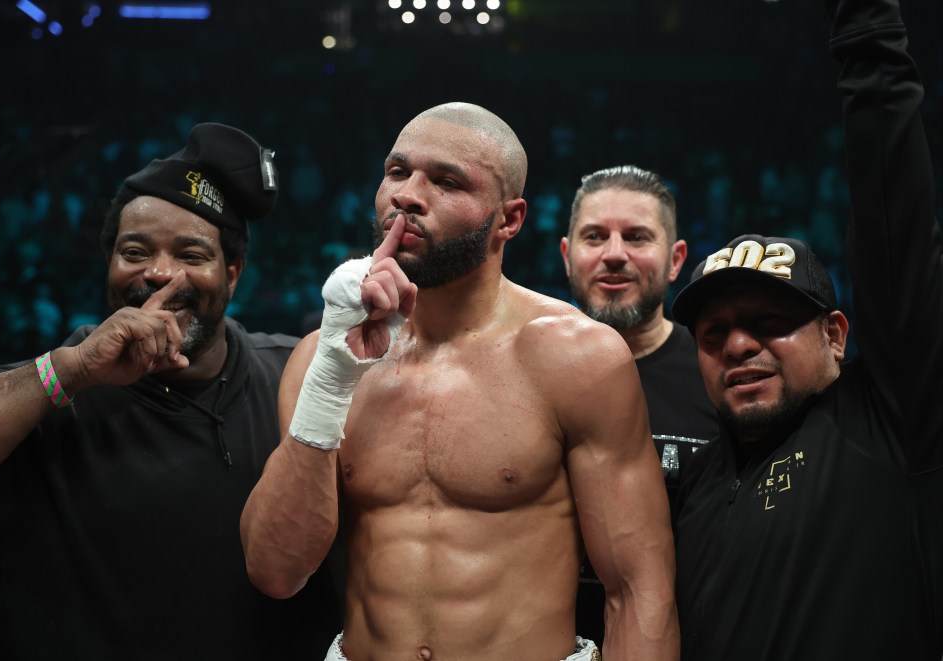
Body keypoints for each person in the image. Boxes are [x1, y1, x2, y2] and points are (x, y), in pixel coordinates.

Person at [240, 102, 679, 660]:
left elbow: (639, 589)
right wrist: (330, 377)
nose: (408, 196)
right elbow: (276, 570)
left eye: (447, 181)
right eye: (397, 172)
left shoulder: (576, 357)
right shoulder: (319, 362)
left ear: (510, 219)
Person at [0, 123, 341, 659]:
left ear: (233, 275)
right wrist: (69, 371)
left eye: (191, 255)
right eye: (134, 251)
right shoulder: (51, 387)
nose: (159, 273)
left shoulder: (296, 378)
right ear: (109, 266)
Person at [669, 0, 943, 657]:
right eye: (714, 334)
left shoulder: (885, 423)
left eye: (769, 323)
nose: (737, 344)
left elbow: (893, 221)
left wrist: (864, 28)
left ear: (836, 334)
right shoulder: (698, 478)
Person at [559, 165, 719, 644]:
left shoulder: (723, 372)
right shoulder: (520, 371)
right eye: (594, 237)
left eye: (636, 237)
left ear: (676, 259)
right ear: (568, 256)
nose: (614, 254)